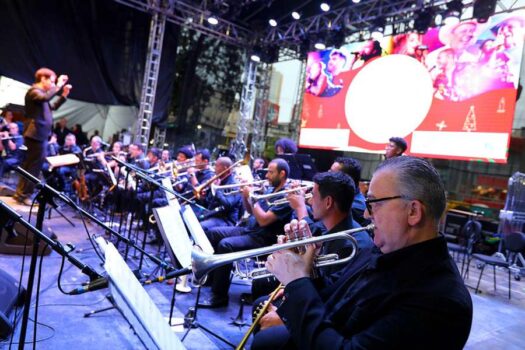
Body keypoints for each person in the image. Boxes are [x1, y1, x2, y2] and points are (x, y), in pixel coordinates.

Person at [257, 156, 473, 349]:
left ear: (413, 211)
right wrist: (306, 270)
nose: (367, 215)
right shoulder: (381, 249)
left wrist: (297, 282)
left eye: (373, 204)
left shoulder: (442, 302)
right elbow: (337, 295)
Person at [199, 158, 293, 308]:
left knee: (226, 245)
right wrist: (245, 196)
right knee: (212, 233)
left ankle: (219, 297)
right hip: (249, 230)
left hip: (263, 239)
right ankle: (211, 279)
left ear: (282, 174)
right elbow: (251, 212)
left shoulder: (286, 196)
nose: (267, 175)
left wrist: (251, 197)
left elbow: (263, 220)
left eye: (270, 172)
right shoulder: (270, 189)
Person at [14, 67, 71, 206]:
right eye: (51, 81)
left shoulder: (41, 96)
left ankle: (20, 194)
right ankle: (24, 195)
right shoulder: (34, 92)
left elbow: (52, 107)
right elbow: (46, 97)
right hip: (35, 135)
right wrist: (58, 86)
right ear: (43, 79)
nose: (52, 84)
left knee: (31, 165)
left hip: (39, 135)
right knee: (32, 167)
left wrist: (63, 95)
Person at [199, 156, 242, 230]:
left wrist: (216, 189)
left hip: (226, 219)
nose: (214, 168)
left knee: (201, 226)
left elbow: (228, 204)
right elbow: (209, 202)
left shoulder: (235, 185)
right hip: (213, 213)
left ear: (225, 168)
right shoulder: (218, 180)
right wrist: (204, 195)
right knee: (191, 217)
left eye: (216, 166)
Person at [329, 157, 367, 226]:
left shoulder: (353, 207)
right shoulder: (342, 197)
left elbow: (322, 230)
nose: (327, 176)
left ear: (347, 180)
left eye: (332, 174)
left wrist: (303, 206)